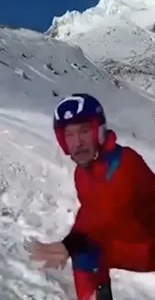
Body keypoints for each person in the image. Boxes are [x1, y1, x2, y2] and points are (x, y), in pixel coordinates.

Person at [30, 93, 155, 300]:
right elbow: (90, 211)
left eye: (84, 131)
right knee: (85, 252)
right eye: (68, 135)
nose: (77, 142)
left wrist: (69, 243)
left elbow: (107, 214)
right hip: (137, 247)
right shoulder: (82, 173)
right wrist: (72, 244)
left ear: (99, 131)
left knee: (83, 246)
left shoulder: (125, 163)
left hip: (150, 244)